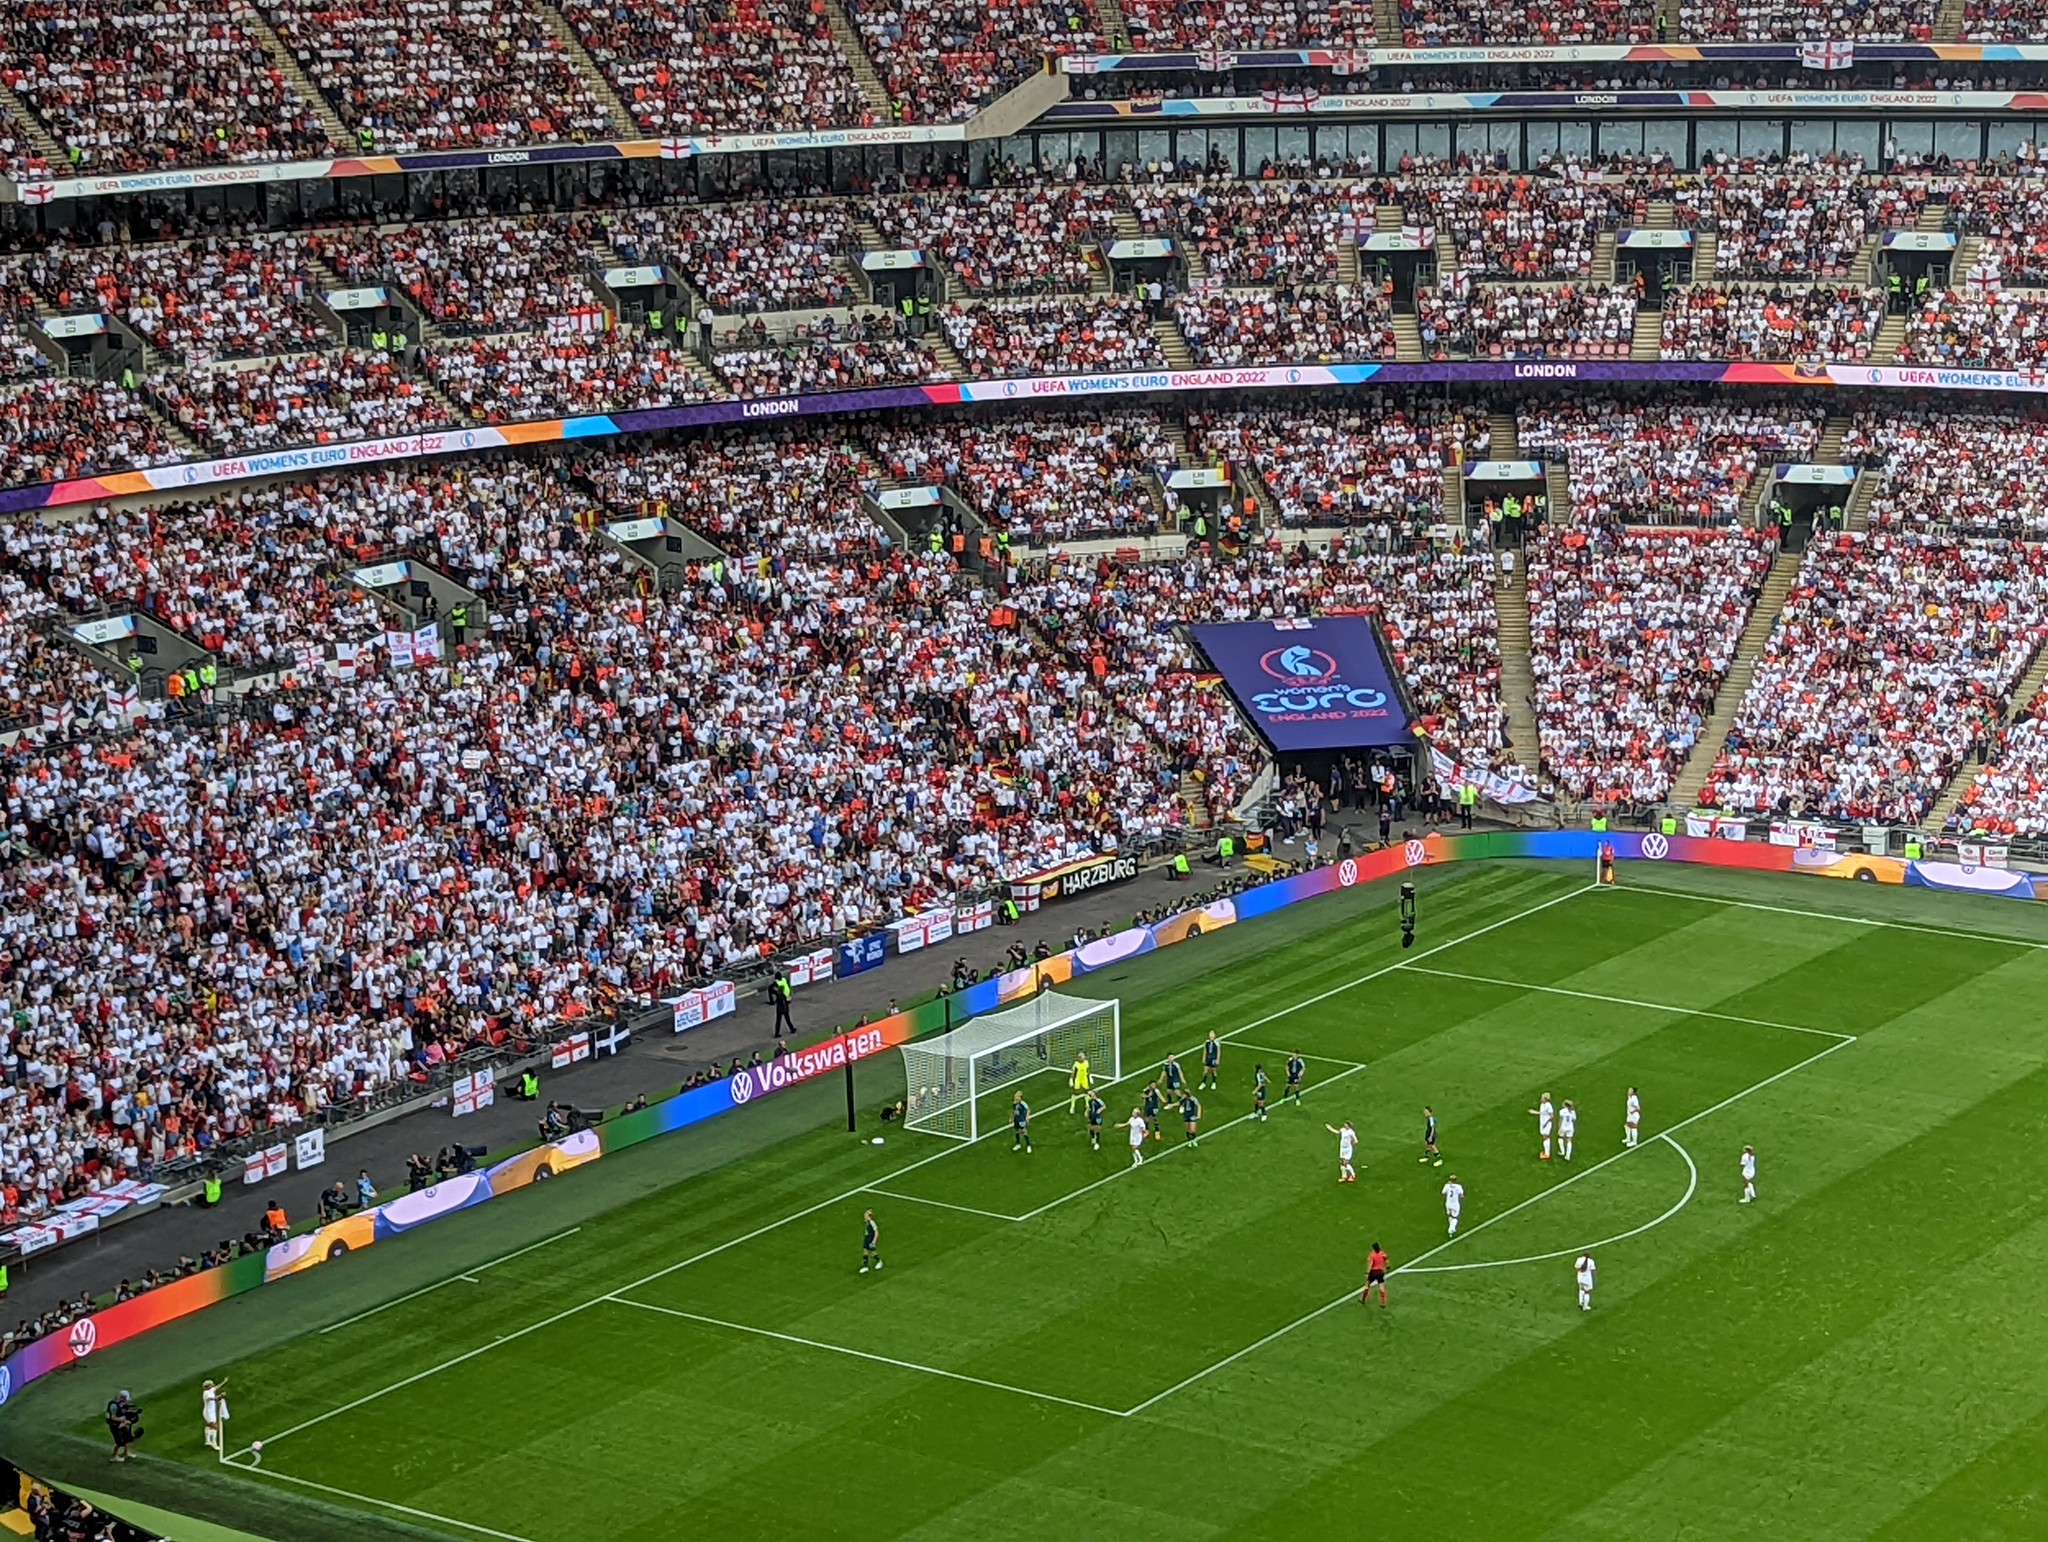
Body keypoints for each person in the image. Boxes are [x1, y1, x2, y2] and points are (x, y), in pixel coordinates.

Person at [106, 1390, 140, 1461]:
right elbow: (113, 1417)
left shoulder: (121, 1404)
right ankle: (114, 1456)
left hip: (121, 1424)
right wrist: (124, 1420)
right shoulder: (114, 1406)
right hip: (115, 1425)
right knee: (119, 1441)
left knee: (128, 1438)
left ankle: (127, 1452)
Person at [202, 1378, 229, 1456]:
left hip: (211, 1412)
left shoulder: (210, 1390)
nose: (213, 1385)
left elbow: (217, 1387)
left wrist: (224, 1381)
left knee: (209, 1426)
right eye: (211, 1384)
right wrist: (221, 1396)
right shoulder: (206, 1393)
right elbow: (213, 1399)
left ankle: (207, 1441)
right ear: (208, 1386)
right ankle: (214, 1443)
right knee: (215, 1427)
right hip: (208, 1413)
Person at [1363, 1243, 1389, 1308]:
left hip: (1373, 1272)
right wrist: (1387, 1267)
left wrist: (1367, 1273)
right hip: (1380, 1272)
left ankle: (1363, 1299)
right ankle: (1383, 1303)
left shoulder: (1372, 1255)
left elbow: (1370, 1264)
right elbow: (1387, 1262)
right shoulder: (1383, 1254)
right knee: (1381, 1286)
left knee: (1367, 1285)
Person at [1531, 1091, 1555, 1161]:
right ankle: (1546, 1152)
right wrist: (1534, 1112)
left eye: (1542, 1098)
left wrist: (1546, 1123)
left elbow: (1551, 1116)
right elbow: (1542, 1113)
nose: (1541, 1099)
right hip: (1543, 1123)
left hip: (1546, 1124)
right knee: (1544, 1137)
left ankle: (1547, 1154)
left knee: (1545, 1137)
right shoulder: (1542, 1104)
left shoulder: (1548, 1106)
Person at [1068, 1050, 1090, 1115]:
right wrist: (1071, 1079)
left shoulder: (1086, 1063)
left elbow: (1087, 1070)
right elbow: (1073, 1073)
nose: (1082, 1057)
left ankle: (1087, 1105)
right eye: (1080, 1056)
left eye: (1082, 1056)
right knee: (1076, 1093)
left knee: (1086, 1091)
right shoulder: (1076, 1064)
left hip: (1084, 1079)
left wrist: (1090, 1077)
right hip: (1078, 1079)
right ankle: (1072, 1107)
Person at [772, 972, 794, 1037]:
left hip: (780, 1004)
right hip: (783, 1003)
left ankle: (777, 1033)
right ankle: (792, 1029)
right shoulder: (783, 981)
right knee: (786, 1017)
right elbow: (788, 987)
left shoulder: (778, 983)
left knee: (779, 1019)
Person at [860, 1209, 882, 1274]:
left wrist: (873, 1242)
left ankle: (879, 1261)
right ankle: (865, 1266)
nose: (865, 1217)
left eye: (866, 1216)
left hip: (870, 1239)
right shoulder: (867, 1223)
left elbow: (877, 1232)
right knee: (865, 1252)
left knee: (872, 1253)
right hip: (867, 1238)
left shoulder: (872, 1222)